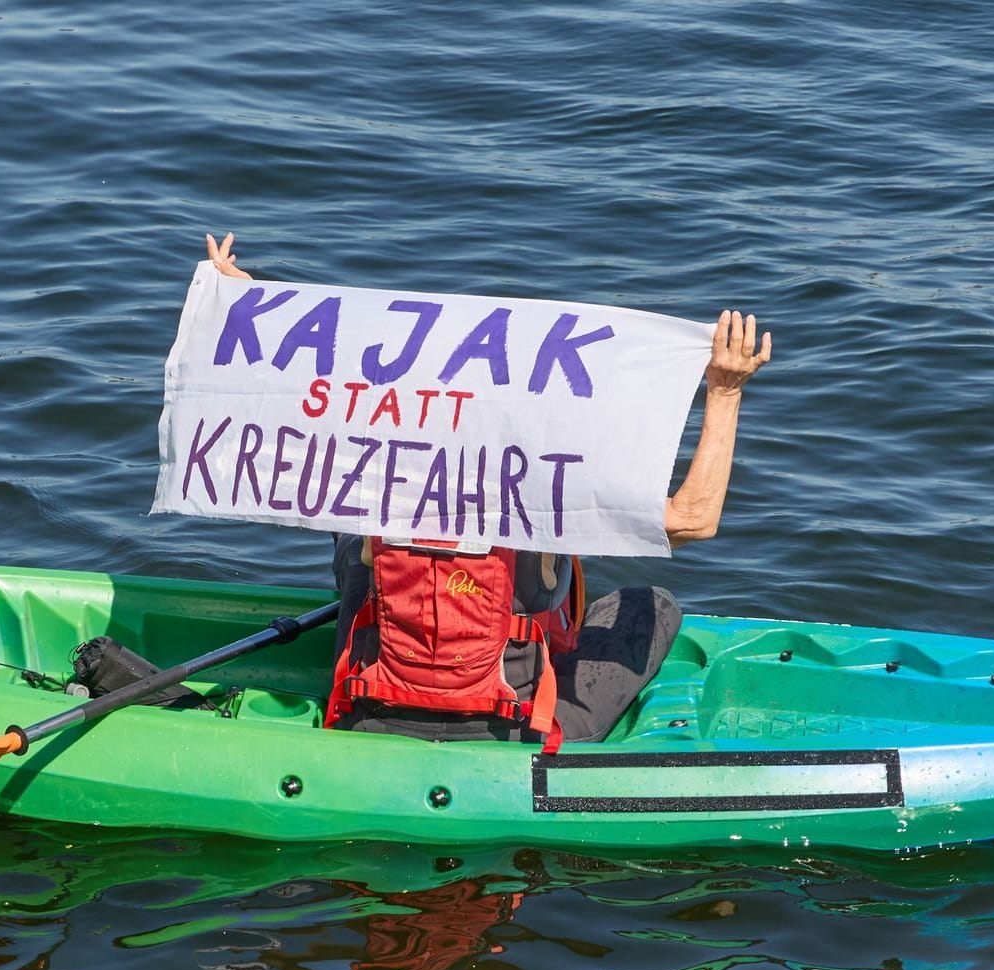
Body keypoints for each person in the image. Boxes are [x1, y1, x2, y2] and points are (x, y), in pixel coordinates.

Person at [204, 231, 771, 745]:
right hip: (510, 727)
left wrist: (250, 307)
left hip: (366, 711)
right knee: (652, 603)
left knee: (354, 543)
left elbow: (293, 409)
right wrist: (725, 392)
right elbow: (695, 520)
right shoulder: (548, 488)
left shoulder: (376, 470)